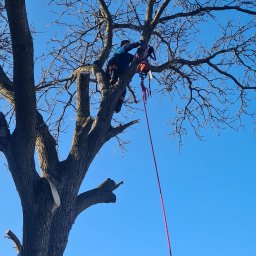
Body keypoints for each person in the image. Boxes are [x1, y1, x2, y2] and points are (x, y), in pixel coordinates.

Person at [106, 40, 141, 113]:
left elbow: (137, 60)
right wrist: (136, 44)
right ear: (123, 45)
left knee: (123, 90)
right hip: (112, 70)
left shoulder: (129, 56)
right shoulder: (119, 50)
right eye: (127, 44)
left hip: (121, 74)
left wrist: (145, 52)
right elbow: (127, 48)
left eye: (129, 44)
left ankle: (118, 106)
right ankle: (113, 76)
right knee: (114, 59)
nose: (128, 45)